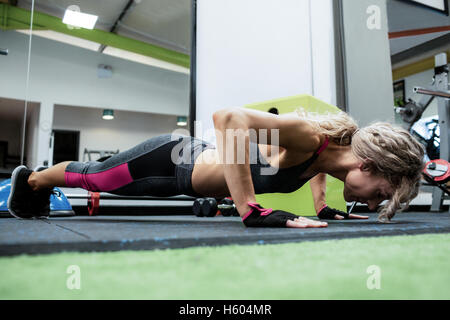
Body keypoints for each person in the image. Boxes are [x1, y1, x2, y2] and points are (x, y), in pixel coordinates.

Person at [7, 107, 425, 228]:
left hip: (184, 176)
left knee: (94, 176)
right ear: (367, 165)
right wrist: (251, 208)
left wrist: (321, 207)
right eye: (382, 193)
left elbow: (318, 169)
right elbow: (229, 119)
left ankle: (36, 185)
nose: (374, 203)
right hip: (168, 162)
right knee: (91, 177)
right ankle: (31, 179)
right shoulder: (307, 137)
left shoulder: (329, 155)